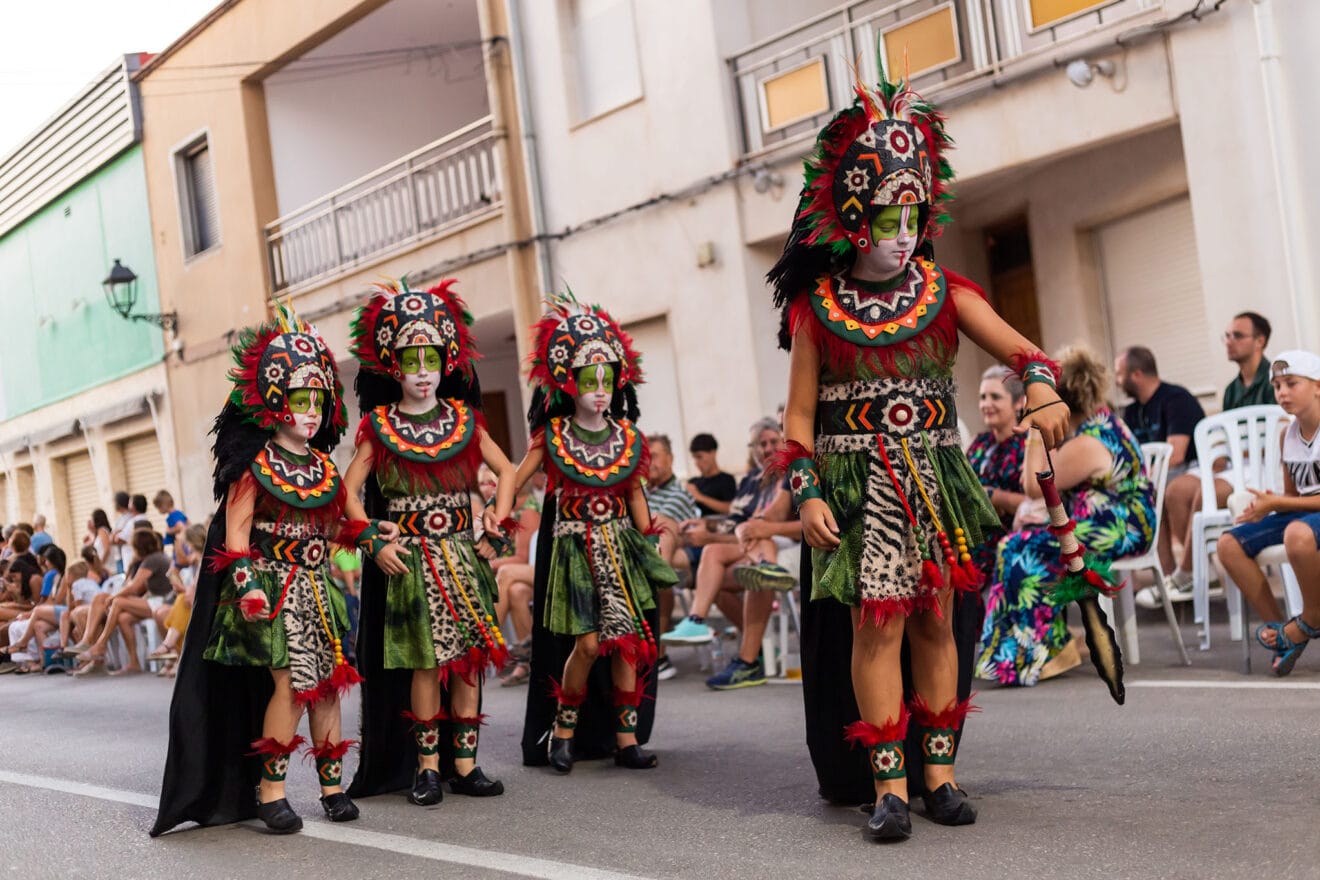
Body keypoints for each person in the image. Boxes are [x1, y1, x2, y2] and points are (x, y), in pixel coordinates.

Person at [767, 73, 1071, 841]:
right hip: (857, 488)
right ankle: (889, 789)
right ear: (852, 217)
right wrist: (807, 492)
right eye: (886, 217)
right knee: (876, 631)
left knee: (937, 624)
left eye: (913, 215)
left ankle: (940, 776)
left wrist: (1041, 389)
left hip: (935, 481)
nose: (902, 233)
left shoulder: (946, 291)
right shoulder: (817, 309)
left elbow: (1029, 354)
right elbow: (798, 420)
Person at [153, 301, 361, 836]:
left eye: (318, 400)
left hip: (319, 590)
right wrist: (247, 587)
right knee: (290, 685)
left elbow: (347, 523)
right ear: (275, 401)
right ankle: (271, 793)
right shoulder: (254, 466)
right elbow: (236, 537)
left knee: (328, 688)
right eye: (299, 399)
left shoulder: (324, 467)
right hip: (273, 590)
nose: (311, 411)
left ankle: (332, 789)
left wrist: (376, 536)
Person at [343, 279, 514, 806]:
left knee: (467, 662)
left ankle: (466, 765)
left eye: (431, 360)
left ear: (446, 363)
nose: (422, 371)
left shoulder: (466, 421)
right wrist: (372, 540)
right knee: (426, 663)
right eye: (411, 360)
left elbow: (508, 471)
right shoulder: (378, 426)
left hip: (463, 553)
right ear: (393, 367)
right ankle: (427, 769)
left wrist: (499, 522)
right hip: (412, 561)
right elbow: (347, 492)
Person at [492, 290, 678, 773]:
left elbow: (636, 497)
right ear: (568, 383)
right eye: (589, 380)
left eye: (606, 380)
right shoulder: (552, 436)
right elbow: (516, 475)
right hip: (574, 552)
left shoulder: (629, 438)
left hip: (620, 548)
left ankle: (626, 740)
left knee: (626, 645)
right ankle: (563, 731)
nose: (599, 389)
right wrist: (498, 515)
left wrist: (652, 537)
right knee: (589, 645)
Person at [977, 345, 1154, 686]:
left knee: (1021, 548)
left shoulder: (1089, 441)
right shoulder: (1096, 425)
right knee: (1016, 545)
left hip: (1120, 528)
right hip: (1101, 524)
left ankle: (1044, 649)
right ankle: (1036, 648)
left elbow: (1033, 486)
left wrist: (1034, 426)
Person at [1137, 311, 1277, 608]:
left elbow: (1278, 436)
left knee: (1206, 492)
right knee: (1175, 491)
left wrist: (1236, 452)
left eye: (1237, 335)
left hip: (1264, 468)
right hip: (1234, 465)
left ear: (1260, 341)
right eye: (1227, 335)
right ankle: (1204, 573)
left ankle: (1186, 573)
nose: (1229, 341)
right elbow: (1226, 439)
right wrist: (1219, 457)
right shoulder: (1232, 389)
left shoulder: (1274, 381)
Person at [1216, 350, 1320, 676]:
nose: (1282, 393)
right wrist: (1266, 505)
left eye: (1292, 383)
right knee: (1228, 545)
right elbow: (1293, 497)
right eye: (1277, 386)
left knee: (1297, 534)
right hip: (1305, 516)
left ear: (1317, 386)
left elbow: (1292, 505)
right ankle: (1284, 634)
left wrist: (1277, 505)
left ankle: (1311, 618)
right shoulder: (1287, 434)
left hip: (1306, 524)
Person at [72, 530, 171, 677]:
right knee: (122, 617)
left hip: (162, 602)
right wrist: (131, 566)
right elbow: (132, 585)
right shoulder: (150, 559)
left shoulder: (153, 560)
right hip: (153, 601)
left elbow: (134, 587)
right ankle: (133, 662)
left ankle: (100, 645)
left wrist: (114, 597)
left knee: (117, 602)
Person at [643, 433, 700, 680]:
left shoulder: (679, 493)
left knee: (659, 528)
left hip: (682, 560)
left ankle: (657, 657)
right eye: (645, 457)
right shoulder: (642, 493)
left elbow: (656, 528)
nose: (650, 462)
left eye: (655, 456)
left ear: (671, 458)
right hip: (656, 555)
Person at [966, 366, 1028, 576]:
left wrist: (993, 497)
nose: (986, 404)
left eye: (995, 397)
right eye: (983, 397)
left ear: (1019, 402)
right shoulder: (978, 443)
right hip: (973, 555)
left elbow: (1044, 504)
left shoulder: (1031, 445)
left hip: (1014, 555)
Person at [1115, 346, 1204, 477]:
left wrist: (1142, 479)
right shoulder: (1131, 411)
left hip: (1184, 471)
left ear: (1137, 375)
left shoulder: (1177, 399)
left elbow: (1175, 456)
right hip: (1150, 474)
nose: (1116, 382)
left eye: (1119, 374)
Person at [686, 433, 737, 516]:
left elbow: (731, 508)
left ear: (713, 453)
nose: (696, 462)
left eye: (699, 457)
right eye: (694, 458)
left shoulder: (726, 480)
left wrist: (700, 497)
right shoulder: (693, 482)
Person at [154, 491, 190, 566]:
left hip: (180, 546)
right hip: (183, 544)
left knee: (175, 567)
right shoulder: (178, 513)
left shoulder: (173, 515)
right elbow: (188, 524)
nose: (158, 510)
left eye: (158, 507)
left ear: (164, 505)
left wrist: (169, 531)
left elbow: (181, 527)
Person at [108, 491, 134, 574]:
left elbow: (119, 538)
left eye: (114, 502)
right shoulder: (120, 519)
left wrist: (116, 535)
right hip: (119, 556)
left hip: (128, 555)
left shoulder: (129, 518)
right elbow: (112, 537)